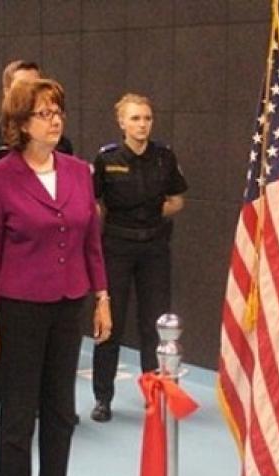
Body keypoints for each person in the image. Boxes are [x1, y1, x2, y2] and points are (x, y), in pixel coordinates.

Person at [0, 78, 111, 476]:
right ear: (20, 123)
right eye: (43, 114)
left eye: (58, 112)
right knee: (19, 408)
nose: (54, 121)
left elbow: (91, 243)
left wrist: (102, 297)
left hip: (69, 304)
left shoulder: (78, 172)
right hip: (20, 308)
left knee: (61, 406)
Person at [90, 93, 187, 422]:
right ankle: (103, 398)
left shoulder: (164, 157)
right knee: (110, 324)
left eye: (147, 118)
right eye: (135, 118)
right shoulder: (106, 159)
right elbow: (94, 203)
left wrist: (151, 213)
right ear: (122, 123)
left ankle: (154, 393)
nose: (142, 124)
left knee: (154, 325)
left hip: (154, 248)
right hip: (117, 247)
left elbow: (177, 200)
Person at [0, 60, 74, 157]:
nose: (31, 93)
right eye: (23, 87)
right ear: (7, 92)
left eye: (36, 86)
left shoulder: (61, 145)